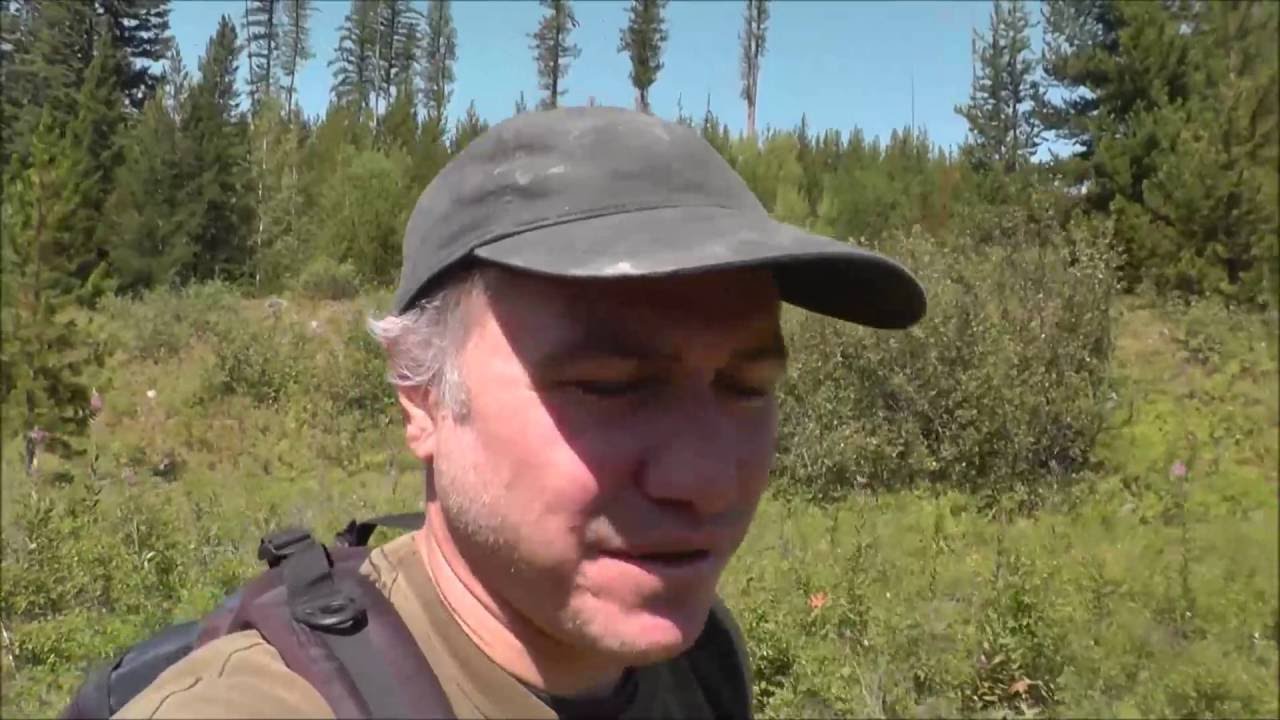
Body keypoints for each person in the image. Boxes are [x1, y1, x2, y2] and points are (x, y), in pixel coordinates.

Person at [113, 106, 925, 719]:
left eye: (746, 386)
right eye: (609, 385)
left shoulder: (705, 664)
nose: (707, 479)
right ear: (423, 397)